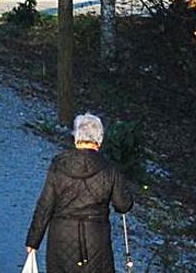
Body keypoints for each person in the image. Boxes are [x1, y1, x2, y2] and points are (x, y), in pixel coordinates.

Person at [26, 113, 134, 273]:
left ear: (76, 137)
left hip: (62, 235)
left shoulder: (59, 164)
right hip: (95, 237)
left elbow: (45, 204)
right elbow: (123, 205)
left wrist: (33, 241)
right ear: (100, 139)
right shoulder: (109, 168)